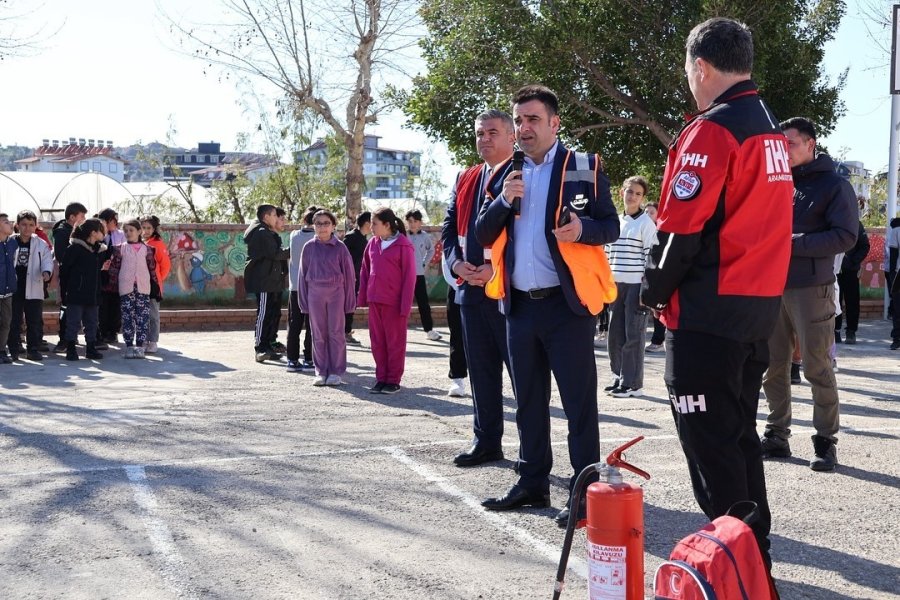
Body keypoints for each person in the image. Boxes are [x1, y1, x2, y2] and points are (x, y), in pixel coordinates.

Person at [640, 18, 793, 576]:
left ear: (700, 67)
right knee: (740, 444)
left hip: (709, 316)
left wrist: (652, 292)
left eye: (688, 72)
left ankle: (736, 573)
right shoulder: (770, 130)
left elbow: (682, 230)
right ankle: (756, 565)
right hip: (756, 312)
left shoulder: (715, 129)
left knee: (715, 457)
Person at [475, 85, 619, 527]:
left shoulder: (584, 167)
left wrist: (582, 230)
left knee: (578, 405)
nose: (524, 128)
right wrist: (503, 200)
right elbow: (483, 234)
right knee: (529, 402)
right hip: (519, 307)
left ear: (555, 123)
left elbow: (609, 225)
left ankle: (584, 491)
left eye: (533, 119)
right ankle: (532, 481)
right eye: (519, 121)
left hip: (567, 307)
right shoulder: (505, 174)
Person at [761, 116, 858, 473]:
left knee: (817, 366)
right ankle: (776, 435)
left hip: (812, 289)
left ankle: (825, 441)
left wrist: (793, 244)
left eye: (790, 143)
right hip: (772, 286)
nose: (783, 150)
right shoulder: (776, 182)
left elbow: (846, 236)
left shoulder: (835, 185)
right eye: (780, 144)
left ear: (810, 144)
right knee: (773, 366)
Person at [442, 108, 516, 467]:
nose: (484, 139)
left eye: (492, 133)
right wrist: (456, 264)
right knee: (482, 372)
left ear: (511, 136)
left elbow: (529, 235)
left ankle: (534, 455)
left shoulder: (524, 174)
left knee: (522, 379)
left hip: (509, 293)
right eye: (479, 133)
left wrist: (494, 268)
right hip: (469, 291)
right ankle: (486, 441)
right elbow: (448, 228)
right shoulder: (466, 177)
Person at [605, 176, 657, 398]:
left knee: (633, 335)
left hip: (636, 285)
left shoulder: (646, 223)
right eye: (630, 191)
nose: (633, 196)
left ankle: (633, 384)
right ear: (621, 193)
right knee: (614, 335)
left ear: (643, 198)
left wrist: (647, 291)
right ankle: (619, 376)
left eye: (638, 193)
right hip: (615, 285)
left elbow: (651, 258)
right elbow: (607, 254)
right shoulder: (615, 221)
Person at [357, 207, 416, 394]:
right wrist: (363, 296)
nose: (371, 227)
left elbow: (409, 278)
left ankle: (393, 380)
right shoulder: (372, 244)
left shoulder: (403, 246)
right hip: (375, 301)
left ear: (387, 225)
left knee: (394, 343)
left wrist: (405, 306)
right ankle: (381, 378)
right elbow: (365, 271)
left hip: (394, 303)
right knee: (377, 342)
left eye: (374, 223)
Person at [298, 209, 357, 386]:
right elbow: (302, 276)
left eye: (326, 223)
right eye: (318, 223)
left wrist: (349, 301)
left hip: (336, 294)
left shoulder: (340, 247)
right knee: (318, 333)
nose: (322, 227)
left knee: (336, 332)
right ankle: (321, 370)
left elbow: (349, 276)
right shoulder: (308, 247)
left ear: (333, 225)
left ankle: (336, 371)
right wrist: (303, 301)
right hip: (314, 293)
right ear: (313, 226)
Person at [107, 219, 160, 359]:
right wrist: (111, 288)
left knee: (143, 318)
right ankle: (129, 346)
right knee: (127, 317)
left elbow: (152, 270)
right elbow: (114, 270)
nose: (128, 233)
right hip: (126, 288)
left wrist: (156, 288)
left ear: (139, 232)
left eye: (131, 230)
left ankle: (140, 346)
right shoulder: (120, 248)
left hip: (143, 289)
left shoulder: (148, 250)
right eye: (126, 231)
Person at [244, 204, 290, 363]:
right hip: (264, 282)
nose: (277, 218)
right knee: (264, 314)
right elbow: (275, 254)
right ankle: (260, 348)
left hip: (272, 281)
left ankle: (268, 345)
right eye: (274, 215)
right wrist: (294, 249)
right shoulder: (262, 233)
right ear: (266, 217)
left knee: (272, 313)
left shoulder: (268, 233)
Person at [8, 211, 53, 362]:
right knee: (13, 320)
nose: (27, 228)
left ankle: (33, 349)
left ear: (36, 226)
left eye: (31, 225)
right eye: (24, 225)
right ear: (17, 225)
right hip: (14, 288)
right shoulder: (10, 241)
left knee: (33, 321)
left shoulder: (40, 243)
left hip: (34, 286)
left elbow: (47, 260)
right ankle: (14, 349)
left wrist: (47, 272)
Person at [59, 218, 106, 361]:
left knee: (92, 322)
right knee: (73, 322)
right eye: (101, 230)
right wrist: (64, 293)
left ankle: (91, 348)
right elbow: (64, 271)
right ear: (93, 233)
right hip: (76, 294)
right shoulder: (74, 249)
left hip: (93, 294)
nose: (104, 233)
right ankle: (71, 349)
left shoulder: (99, 251)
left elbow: (97, 272)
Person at [52, 202, 88, 352]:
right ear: (72, 217)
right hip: (68, 277)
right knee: (66, 308)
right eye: (82, 216)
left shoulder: (81, 230)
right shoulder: (61, 233)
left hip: (80, 277)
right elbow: (61, 256)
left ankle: (72, 336)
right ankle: (64, 339)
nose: (85, 219)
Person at [286, 206, 317, 371]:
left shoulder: (293, 235)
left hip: (295, 286)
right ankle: (309, 359)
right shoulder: (319, 238)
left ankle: (291, 359)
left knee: (294, 324)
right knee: (311, 325)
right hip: (313, 287)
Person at [405, 209, 442, 341]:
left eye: (415, 221)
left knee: (423, 303)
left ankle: (429, 330)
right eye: (410, 221)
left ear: (420, 222)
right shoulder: (403, 236)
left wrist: (424, 263)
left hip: (418, 274)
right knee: (403, 303)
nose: (412, 224)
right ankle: (400, 329)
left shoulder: (425, 236)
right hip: (404, 276)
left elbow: (431, 250)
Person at [834, 219, 869, 345]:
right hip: (834, 271)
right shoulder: (831, 221)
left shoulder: (856, 224)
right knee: (834, 300)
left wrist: (854, 261)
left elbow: (865, 246)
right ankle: (835, 330)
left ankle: (851, 331)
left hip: (851, 271)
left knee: (852, 301)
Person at [140, 215, 171, 353]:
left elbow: (165, 266)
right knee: (141, 314)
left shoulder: (158, 244)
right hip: (139, 284)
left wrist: (157, 280)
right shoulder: (137, 243)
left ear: (154, 229)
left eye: (148, 228)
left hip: (153, 285)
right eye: (143, 228)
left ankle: (153, 341)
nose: (145, 231)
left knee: (153, 314)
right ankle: (143, 339)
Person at [97, 208, 125, 345]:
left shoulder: (121, 235)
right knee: (102, 305)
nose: (115, 223)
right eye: (112, 221)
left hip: (116, 277)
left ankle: (113, 332)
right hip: (101, 275)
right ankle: (102, 332)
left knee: (115, 305)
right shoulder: (98, 234)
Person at [343, 211, 371, 346]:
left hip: (357, 279)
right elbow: (342, 258)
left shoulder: (363, 238)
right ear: (366, 223)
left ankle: (346, 331)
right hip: (348, 279)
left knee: (351, 306)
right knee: (347, 306)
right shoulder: (352, 237)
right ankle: (344, 333)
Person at [642, 202, 666, 353]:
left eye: (651, 212)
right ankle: (657, 339)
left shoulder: (661, 231)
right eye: (646, 212)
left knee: (657, 307)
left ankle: (658, 340)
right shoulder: (642, 227)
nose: (648, 215)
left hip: (659, 274)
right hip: (644, 273)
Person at [0, 213, 16, 364]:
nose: (10, 224)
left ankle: (2, 350)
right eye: (5, 222)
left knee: (6, 322)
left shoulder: (12, 243)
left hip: (7, 290)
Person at [889, 216, 900, 349]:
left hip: (897, 273)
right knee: (897, 307)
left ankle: (897, 337)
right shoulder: (896, 230)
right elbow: (893, 254)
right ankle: (897, 337)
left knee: (897, 307)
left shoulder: (896, 230)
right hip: (898, 273)